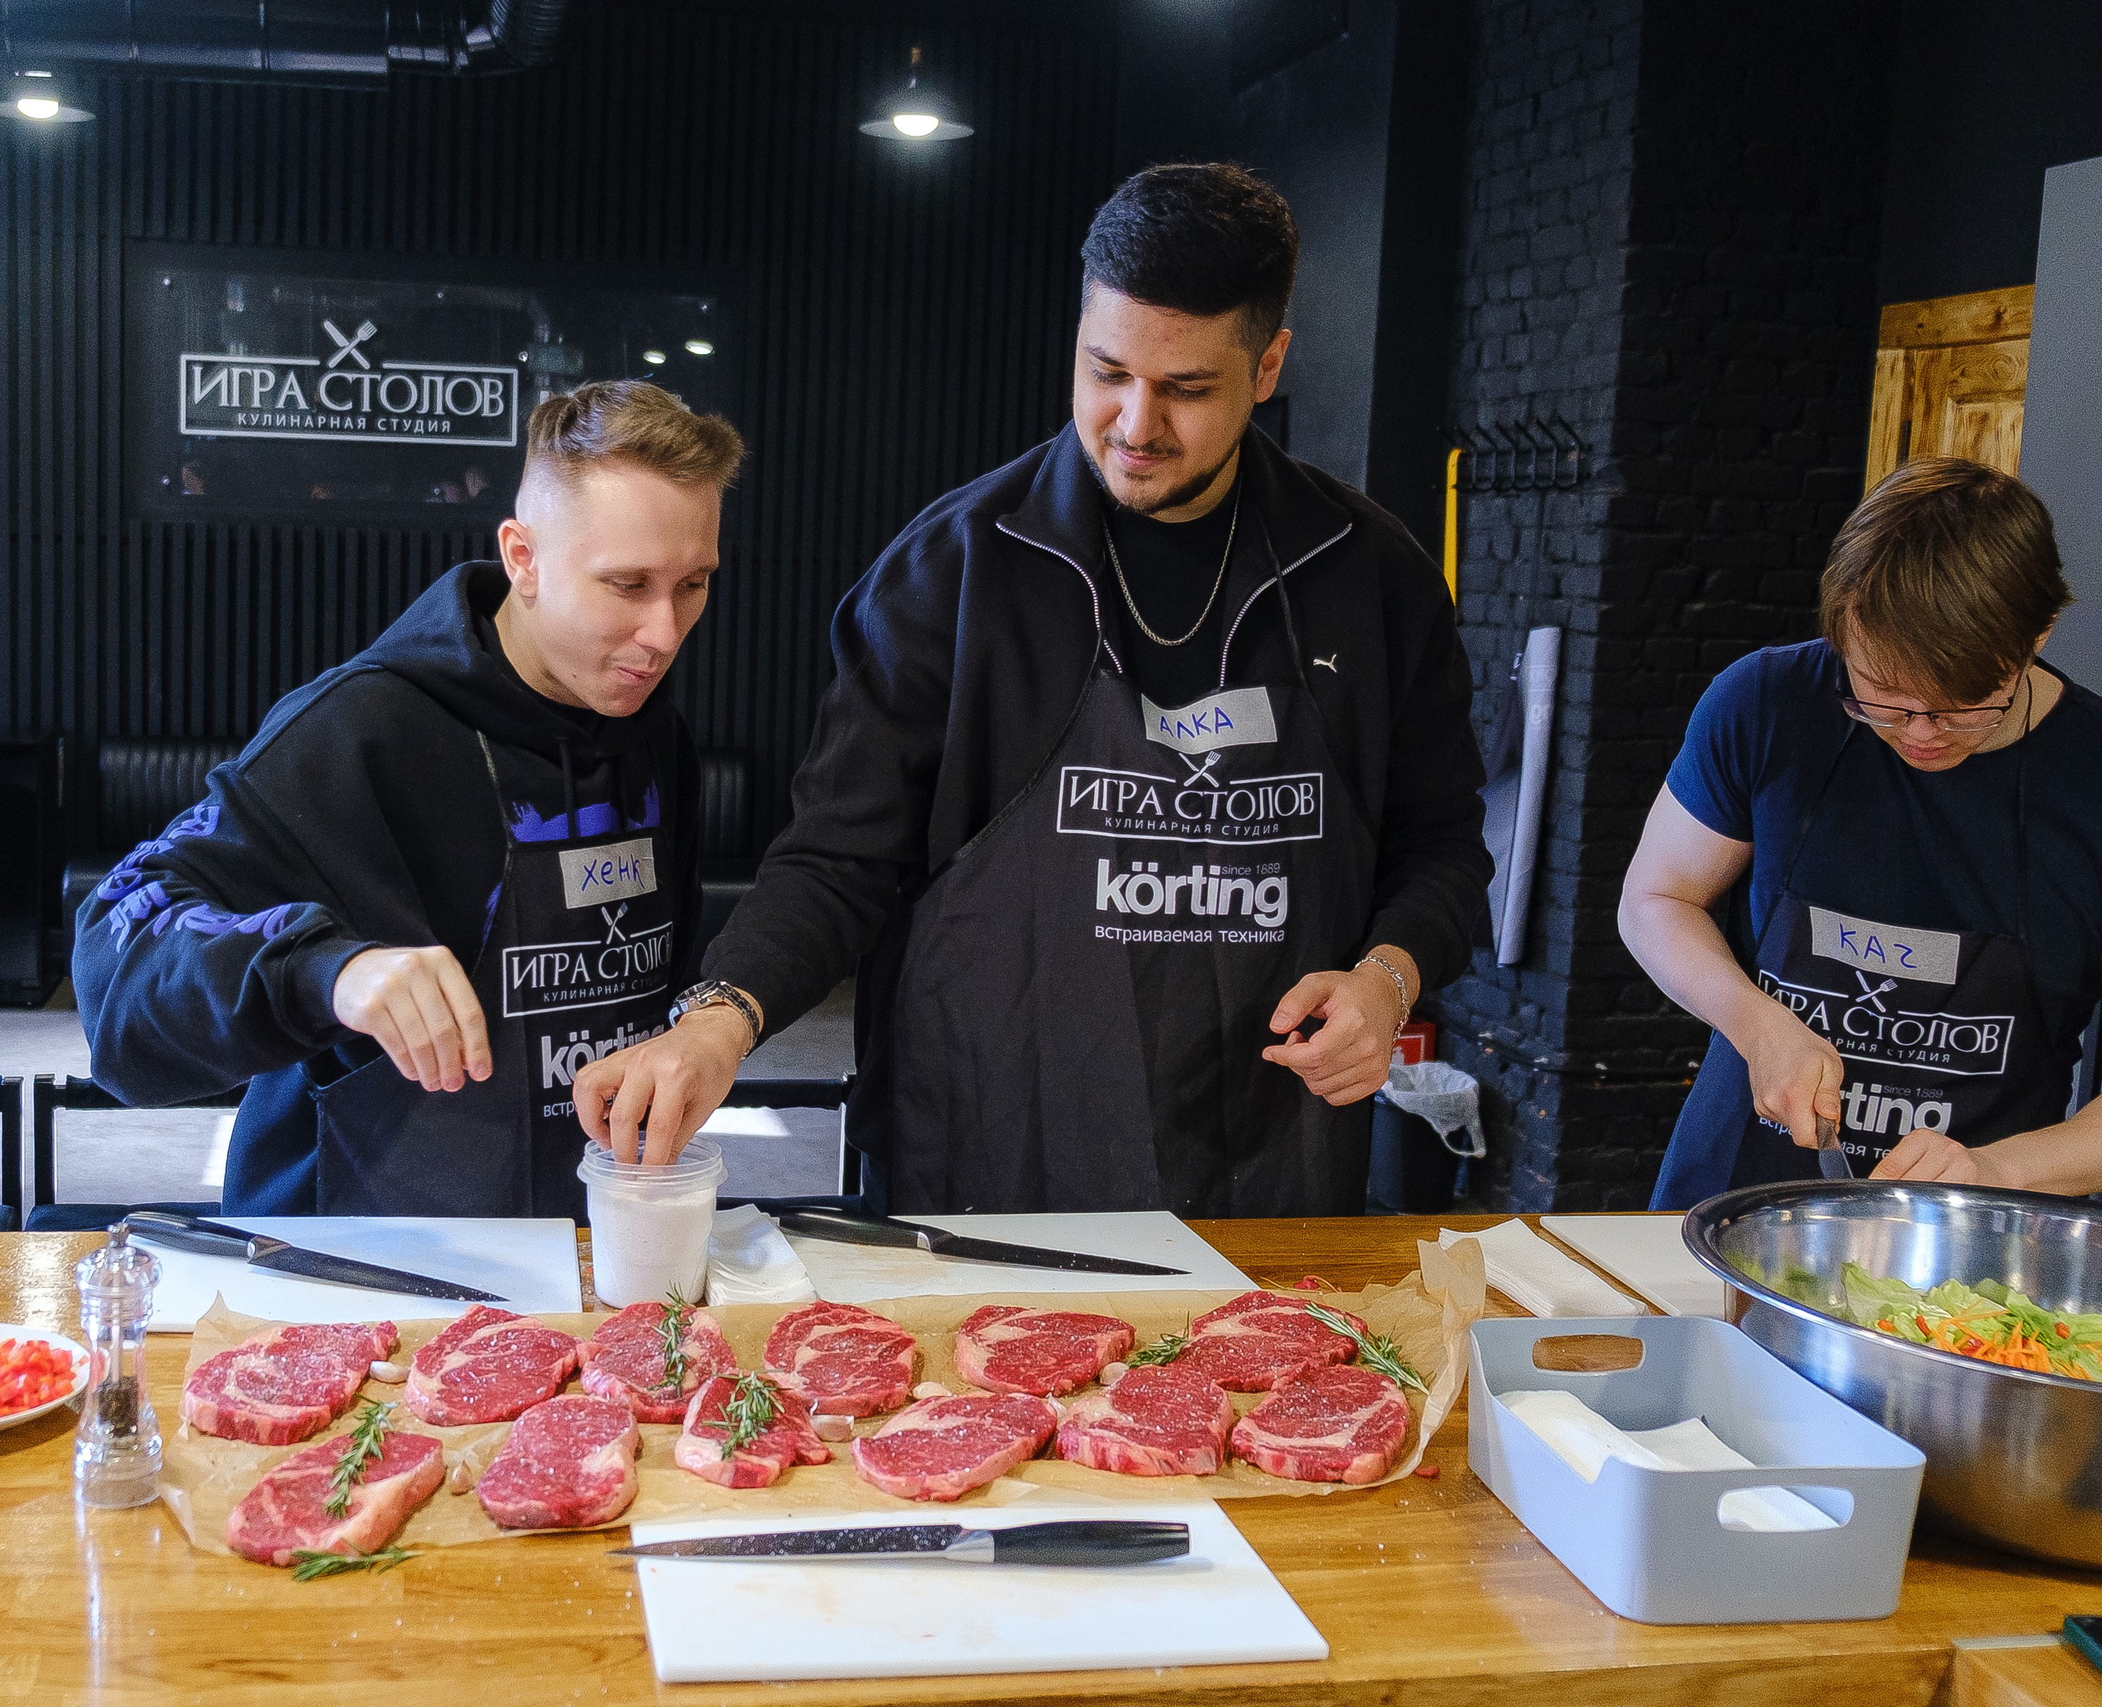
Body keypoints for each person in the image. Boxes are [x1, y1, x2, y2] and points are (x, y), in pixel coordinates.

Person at [577, 163, 1493, 1217]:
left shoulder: (1367, 576)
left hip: (1266, 1181)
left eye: (1187, 388)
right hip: (982, 1175)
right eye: (1107, 370)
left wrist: (1388, 978)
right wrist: (718, 1019)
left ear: (1268, 365)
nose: (1135, 423)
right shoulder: (954, 571)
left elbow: (1444, 847)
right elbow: (838, 856)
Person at [74, 380, 749, 1215]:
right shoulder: (356, 731)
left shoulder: (653, 732)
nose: (665, 633)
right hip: (360, 1248)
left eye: (693, 584)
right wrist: (328, 970)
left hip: (589, 1237)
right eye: (628, 584)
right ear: (523, 558)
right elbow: (117, 951)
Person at [1623, 457, 2102, 1207]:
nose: (1919, 733)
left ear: (2038, 633)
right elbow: (1656, 899)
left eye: (1962, 704)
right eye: (1882, 695)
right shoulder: (1766, 705)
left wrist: (1995, 1171)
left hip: (1975, 1233)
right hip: (1732, 1195)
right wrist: (1755, 1024)